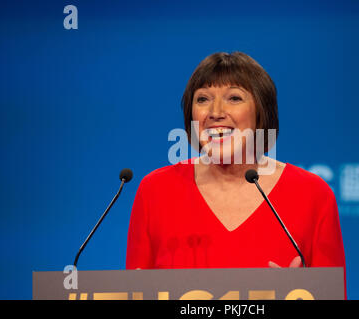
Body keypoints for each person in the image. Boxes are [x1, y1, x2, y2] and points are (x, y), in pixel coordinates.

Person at [126, 52, 346, 295]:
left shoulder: (312, 194)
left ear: (261, 111)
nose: (216, 112)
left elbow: (333, 293)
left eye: (234, 97)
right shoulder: (156, 190)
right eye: (202, 100)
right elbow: (136, 289)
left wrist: (305, 294)